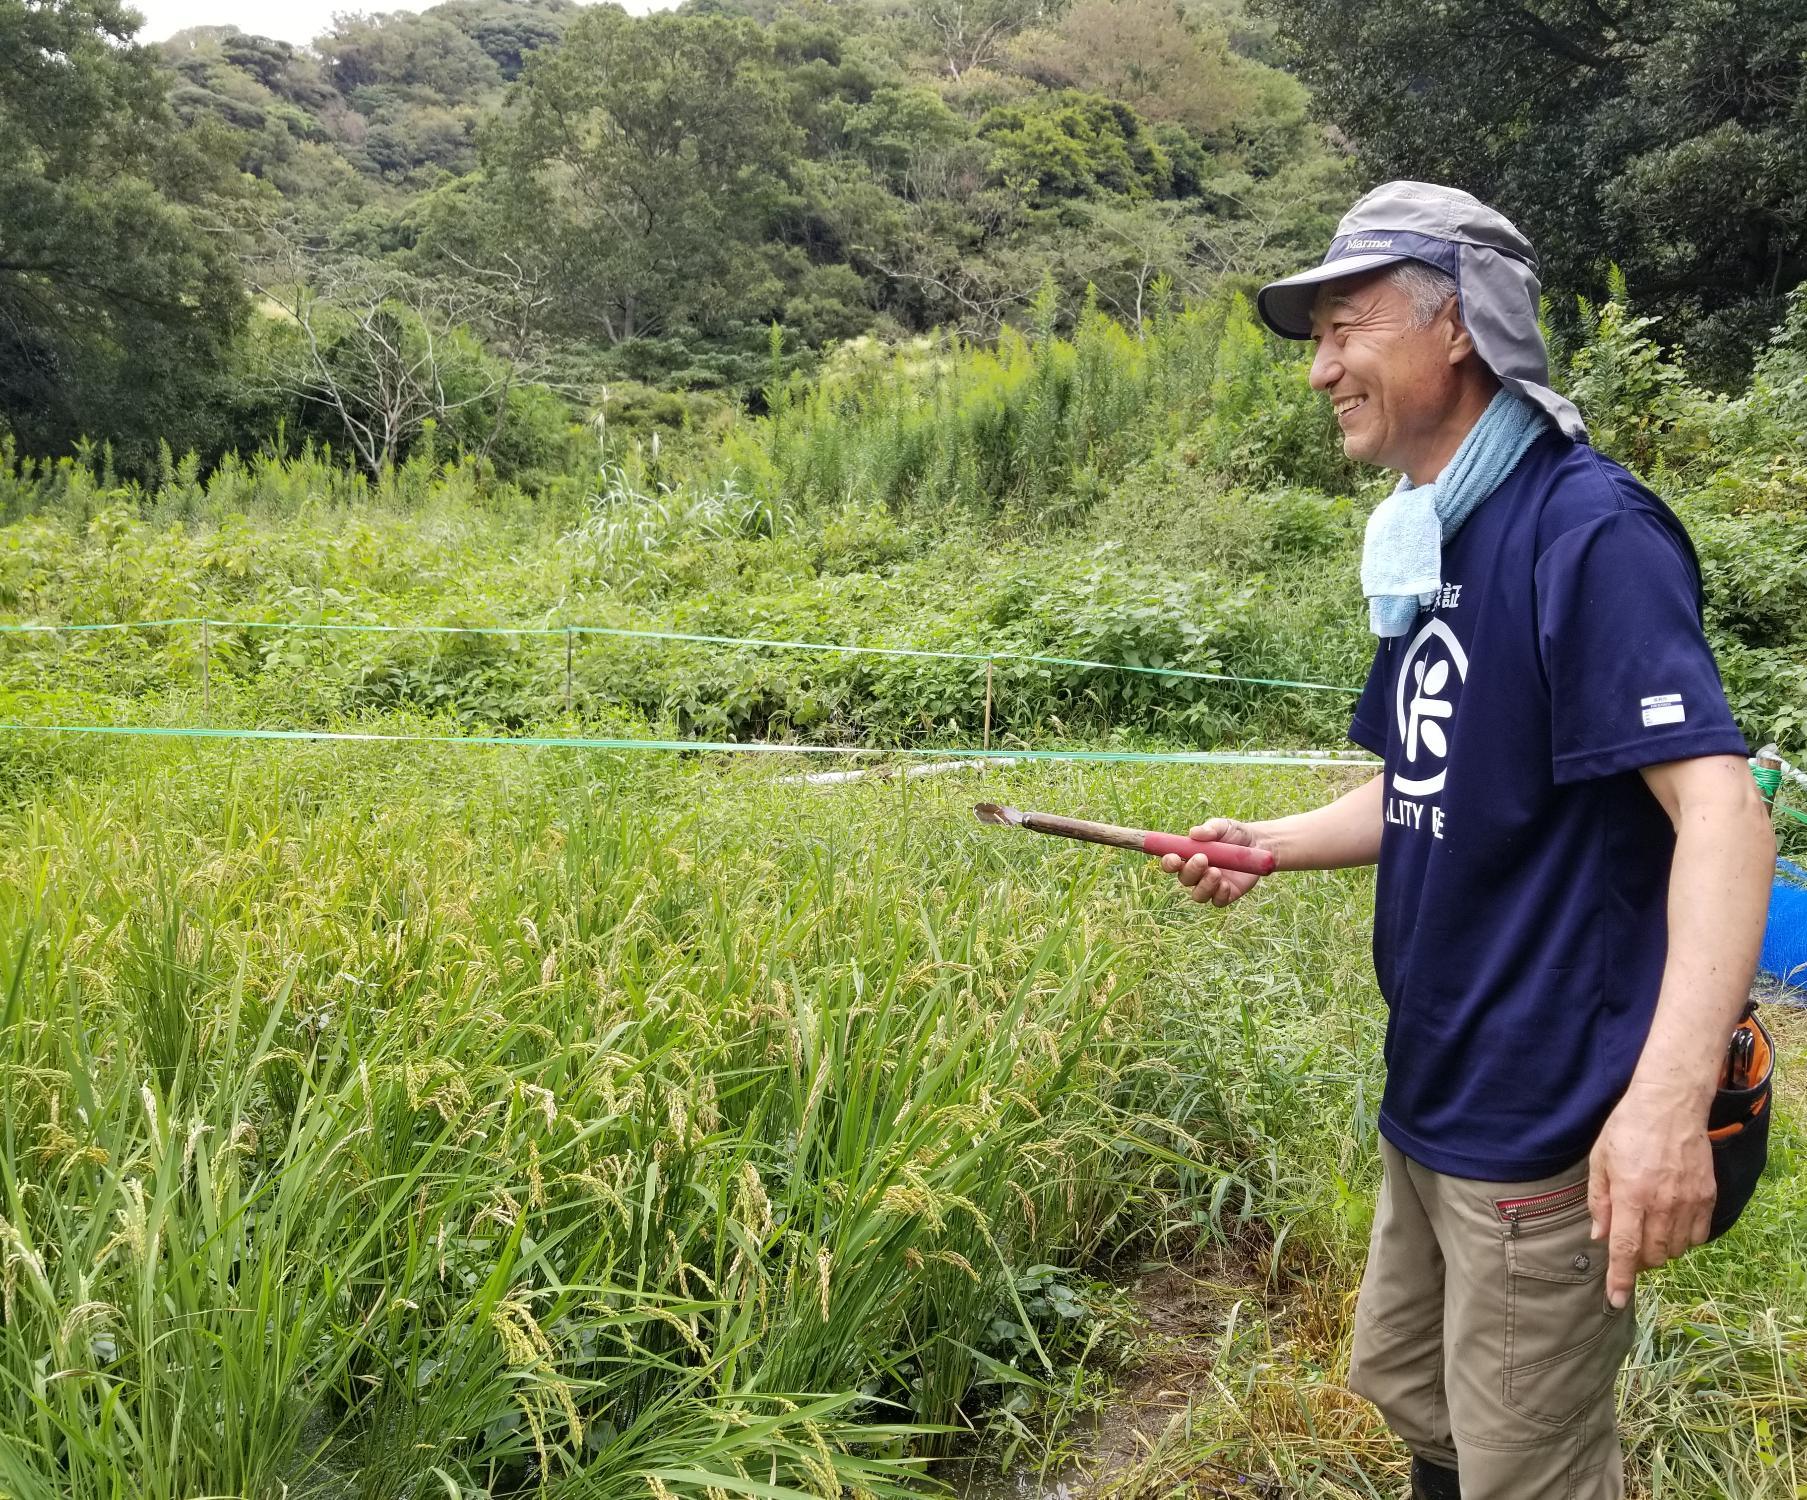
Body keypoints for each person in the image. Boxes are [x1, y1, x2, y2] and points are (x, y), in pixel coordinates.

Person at [1163, 181, 1776, 1499]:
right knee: (1421, 1403)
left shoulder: (1585, 529)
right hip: (1437, 1084)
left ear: (1459, 328)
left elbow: (1727, 812)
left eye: (1347, 325)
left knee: (1529, 1469)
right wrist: (1267, 839)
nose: (1322, 367)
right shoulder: (1427, 534)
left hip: (1548, 1108)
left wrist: (1666, 1105)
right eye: (1314, 336)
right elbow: (1421, 785)